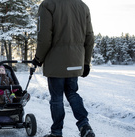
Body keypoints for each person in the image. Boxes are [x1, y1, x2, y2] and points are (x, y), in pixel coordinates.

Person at [32, 0, 95, 137]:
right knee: (72, 93)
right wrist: (86, 62)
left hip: (56, 63)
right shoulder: (83, 6)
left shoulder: (48, 5)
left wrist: (38, 58)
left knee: (56, 98)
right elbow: (89, 37)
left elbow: (44, 37)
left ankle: (56, 132)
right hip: (75, 62)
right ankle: (85, 126)